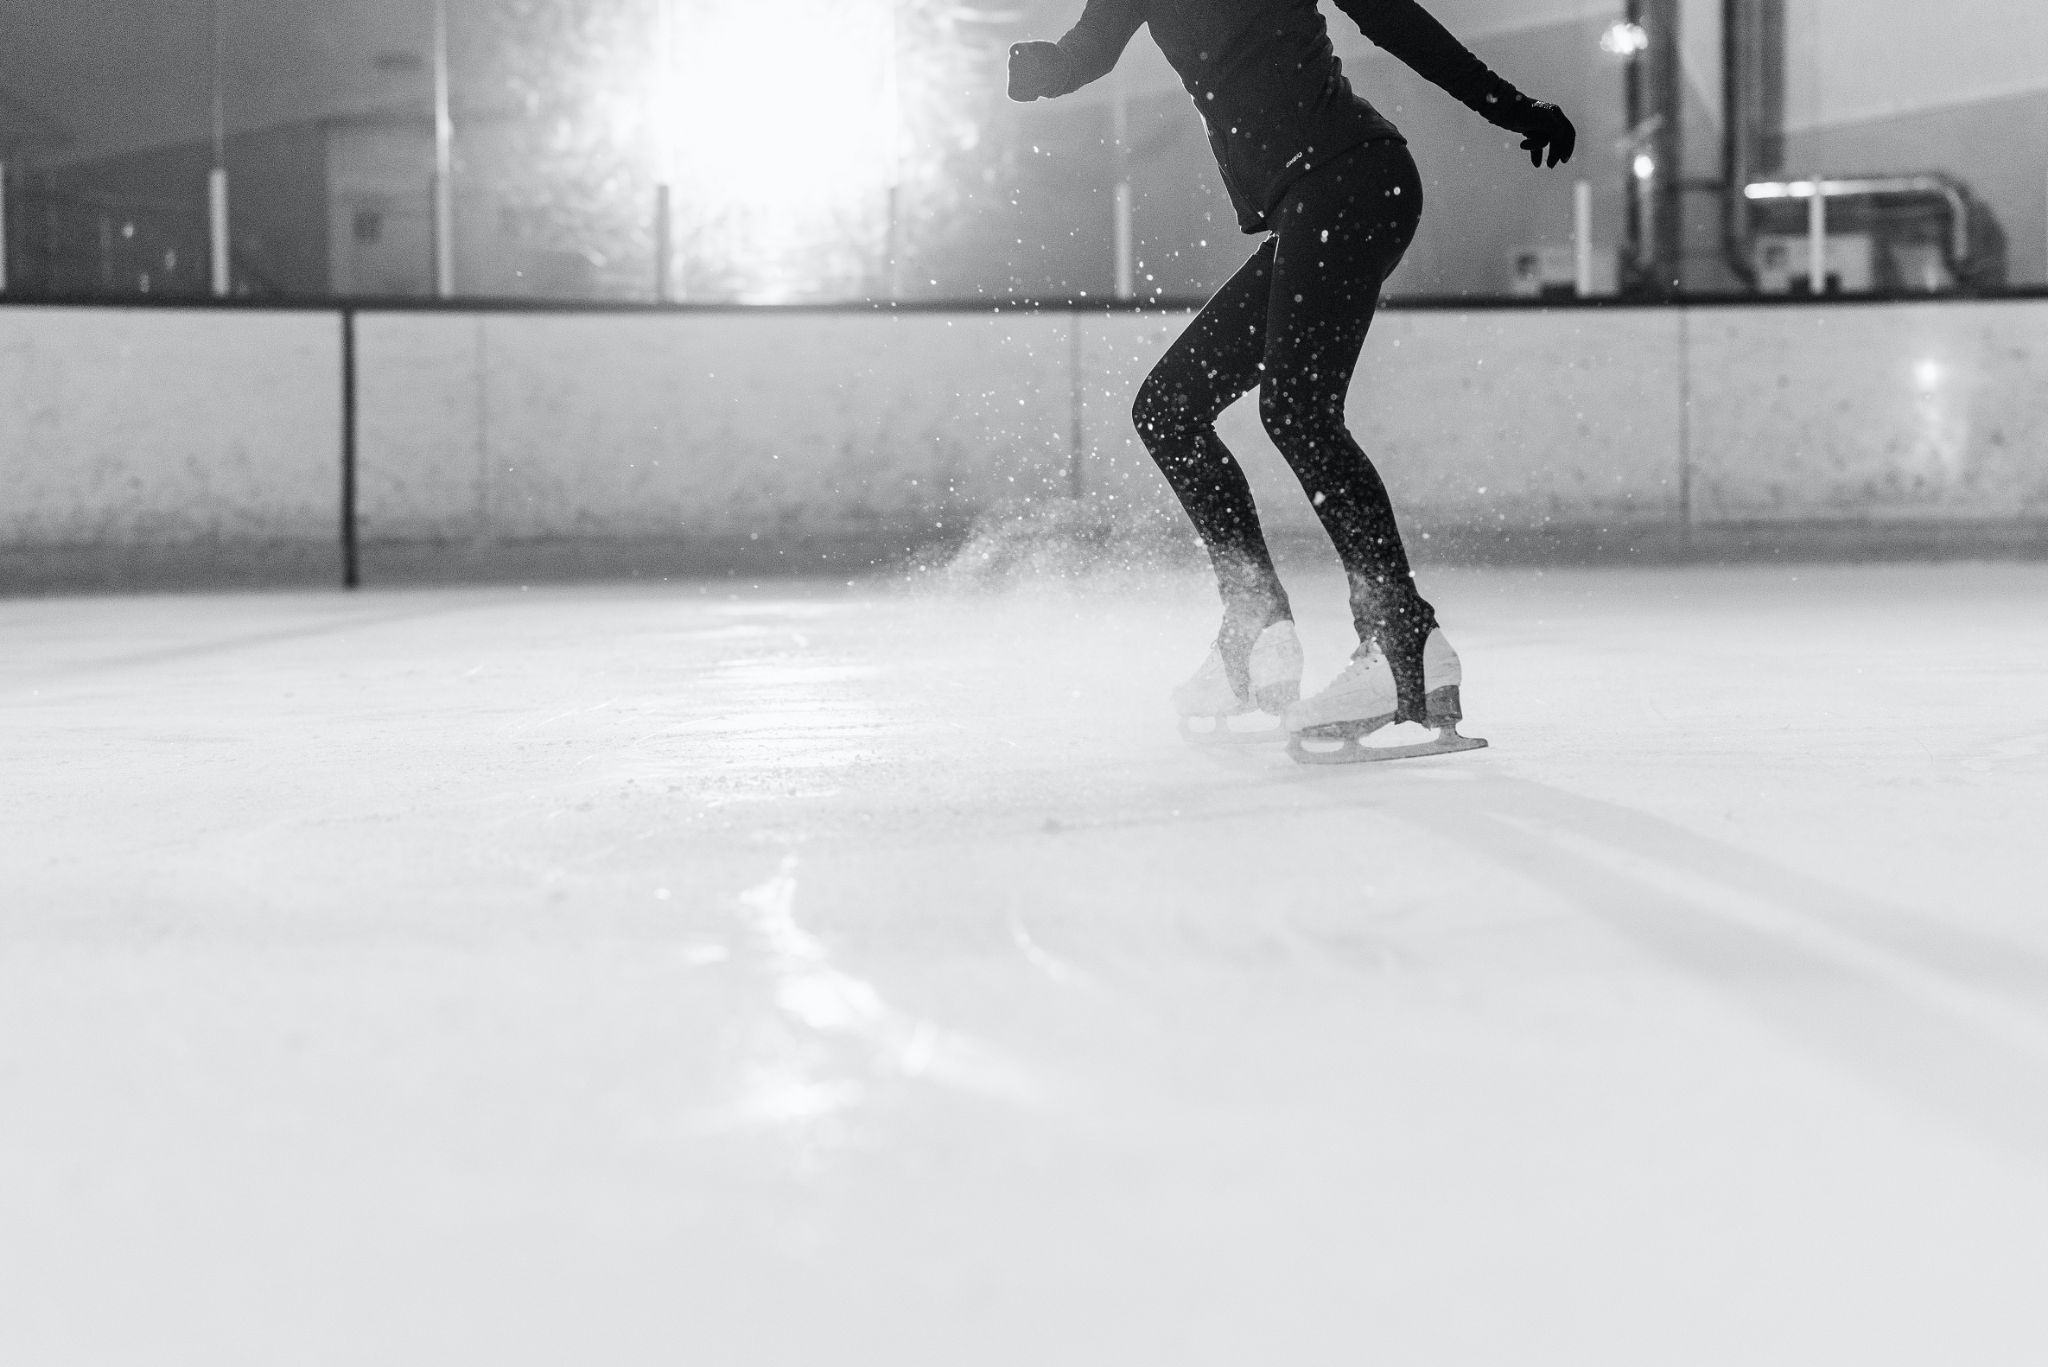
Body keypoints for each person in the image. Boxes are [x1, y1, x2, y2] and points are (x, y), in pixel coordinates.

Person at [1007, 0, 1575, 761]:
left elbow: (1391, 18)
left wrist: (1514, 108)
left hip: (1353, 179)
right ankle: (1255, 628)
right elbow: (1090, 52)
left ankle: (1399, 641)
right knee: (1170, 409)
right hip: (1314, 201)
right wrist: (1044, 69)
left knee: (1298, 412)